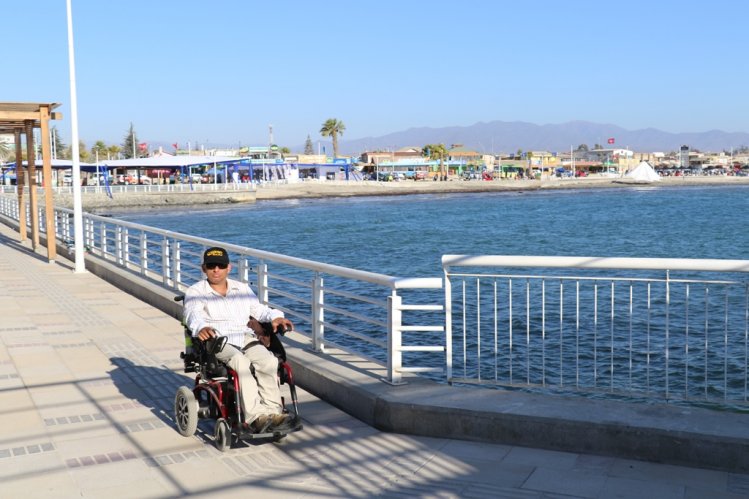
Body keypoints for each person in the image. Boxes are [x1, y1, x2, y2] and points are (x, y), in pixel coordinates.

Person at [183, 246, 297, 433]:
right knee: (241, 363)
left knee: (269, 361)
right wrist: (200, 327)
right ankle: (255, 417)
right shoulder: (196, 291)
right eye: (211, 266)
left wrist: (276, 317)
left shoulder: (241, 288)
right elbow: (192, 314)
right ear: (204, 269)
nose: (216, 270)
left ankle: (273, 412)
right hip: (218, 340)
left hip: (244, 337)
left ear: (229, 268)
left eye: (220, 266)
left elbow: (259, 310)